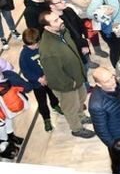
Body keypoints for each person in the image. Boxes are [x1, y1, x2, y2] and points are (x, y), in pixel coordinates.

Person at [38, 10, 94, 138]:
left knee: (81, 99)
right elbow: (54, 74)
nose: (61, 20)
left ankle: (81, 116)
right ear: (47, 27)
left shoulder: (63, 31)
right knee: (70, 107)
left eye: (58, 18)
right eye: (56, 20)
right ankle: (77, 128)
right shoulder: (48, 49)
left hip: (77, 77)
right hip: (66, 86)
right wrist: (70, 83)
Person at [19, 28, 61, 132]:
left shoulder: (42, 48)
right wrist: (38, 79)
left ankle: (55, 105)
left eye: (35, 44)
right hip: (37, 84)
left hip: (49, 78)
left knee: (53, 94)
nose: (33, 47)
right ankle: (46, 118)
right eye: (30, 45)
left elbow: (50, 60)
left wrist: (46, 75)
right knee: (42, 102)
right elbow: (25, 71)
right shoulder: (24, 55)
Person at [88, 67, 120, 148]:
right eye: (107, 81)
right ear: (98, 84)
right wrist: (115, 147)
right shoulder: (96, 105)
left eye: (112, 77)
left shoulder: (116, 85)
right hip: (118, 138)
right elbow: (101, 131)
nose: (113, 81)